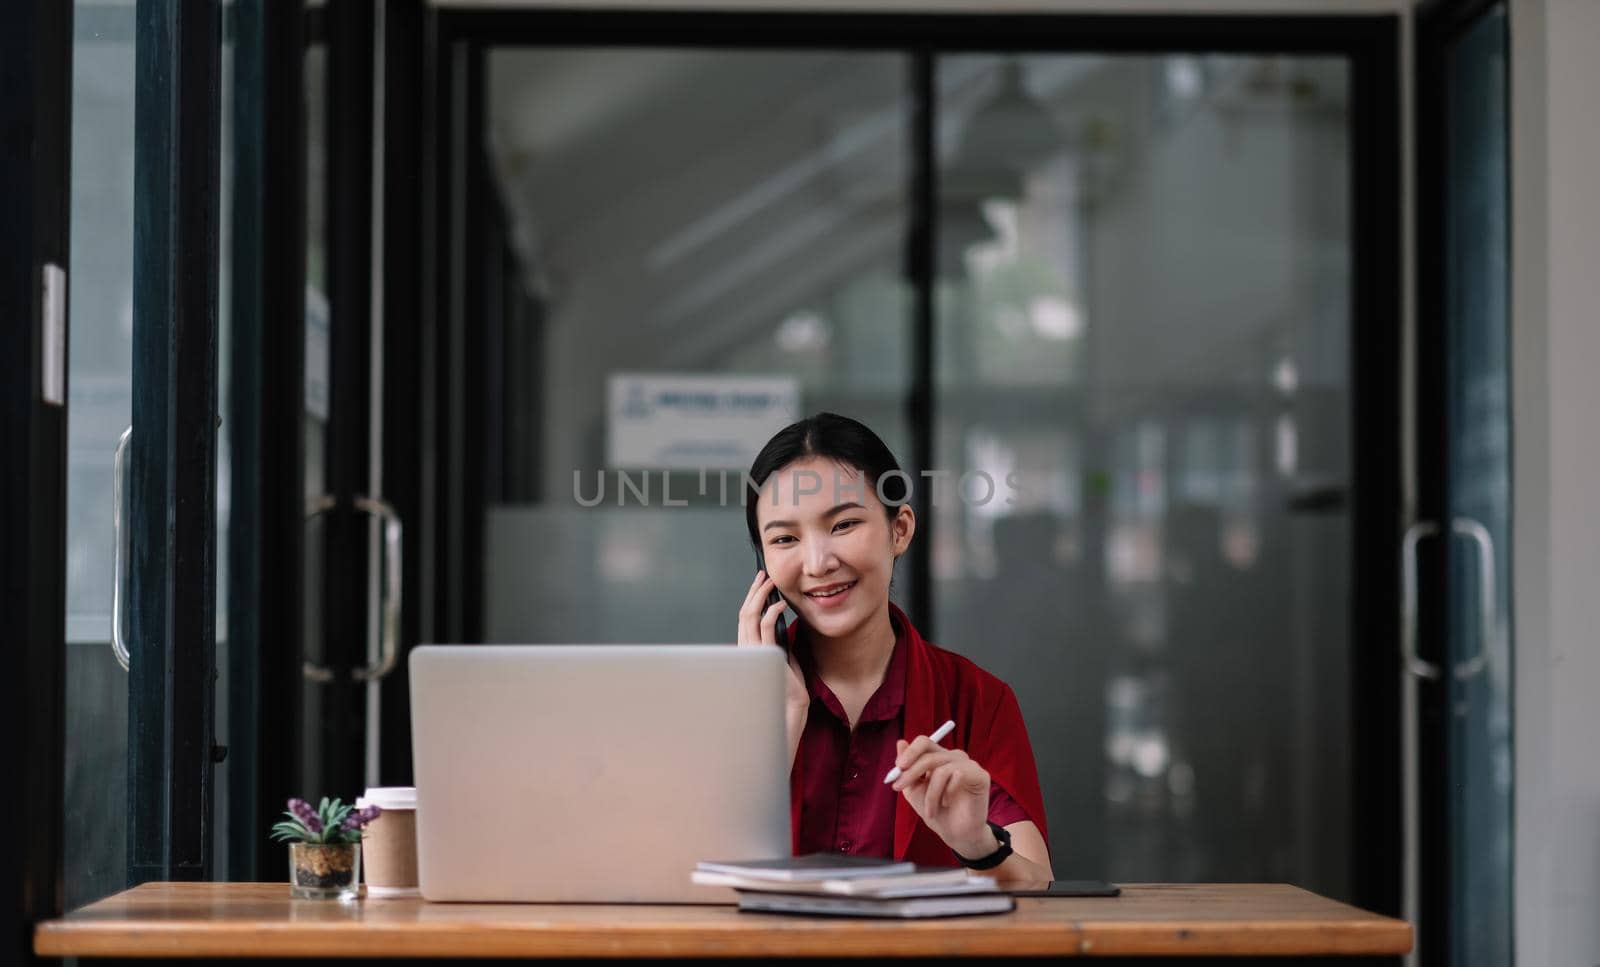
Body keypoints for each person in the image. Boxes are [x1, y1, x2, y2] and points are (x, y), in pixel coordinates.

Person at [736, 412, 1053, 882]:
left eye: (843, 525)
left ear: (900, 529)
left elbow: (1040, 885)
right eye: (785, 538)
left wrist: (975, 844)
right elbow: (681, 888)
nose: (818, 563)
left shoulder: (977, 699)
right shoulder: (726, 702)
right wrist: (770, 726)